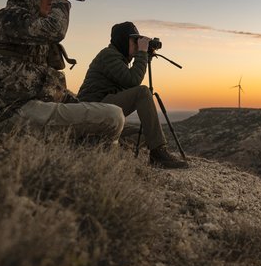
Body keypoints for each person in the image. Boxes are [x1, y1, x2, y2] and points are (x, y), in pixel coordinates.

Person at [0, 0, 124, 142]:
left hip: (36, 108)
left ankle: (88, 158)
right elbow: (56, 30)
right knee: (113, 116)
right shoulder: (7, 18)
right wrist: (62, 0)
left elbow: (47, 80)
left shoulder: (33, 27)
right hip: (13, 113)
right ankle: (100, 165)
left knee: (116, 123)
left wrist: (80, 107)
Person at [77, 21, 189, 169]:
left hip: (104, 110)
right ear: (122, 40)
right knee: (143, 92)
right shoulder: (108, 55)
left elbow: (126, 85)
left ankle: (100, 140)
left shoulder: (120, 60)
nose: (137, 45)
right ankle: (158, 154)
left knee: (144, 135)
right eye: (134, 41)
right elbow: (133, 81)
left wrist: (144, 55)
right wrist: (142, 54)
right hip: (92, 109)